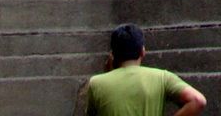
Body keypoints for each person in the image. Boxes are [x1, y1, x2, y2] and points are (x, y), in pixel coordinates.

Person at [74, 23, 206, 116]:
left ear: (112, 54)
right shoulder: (162, 77)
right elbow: (198, 100)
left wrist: (108, 72)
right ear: (142, 52)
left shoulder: (96, 83)